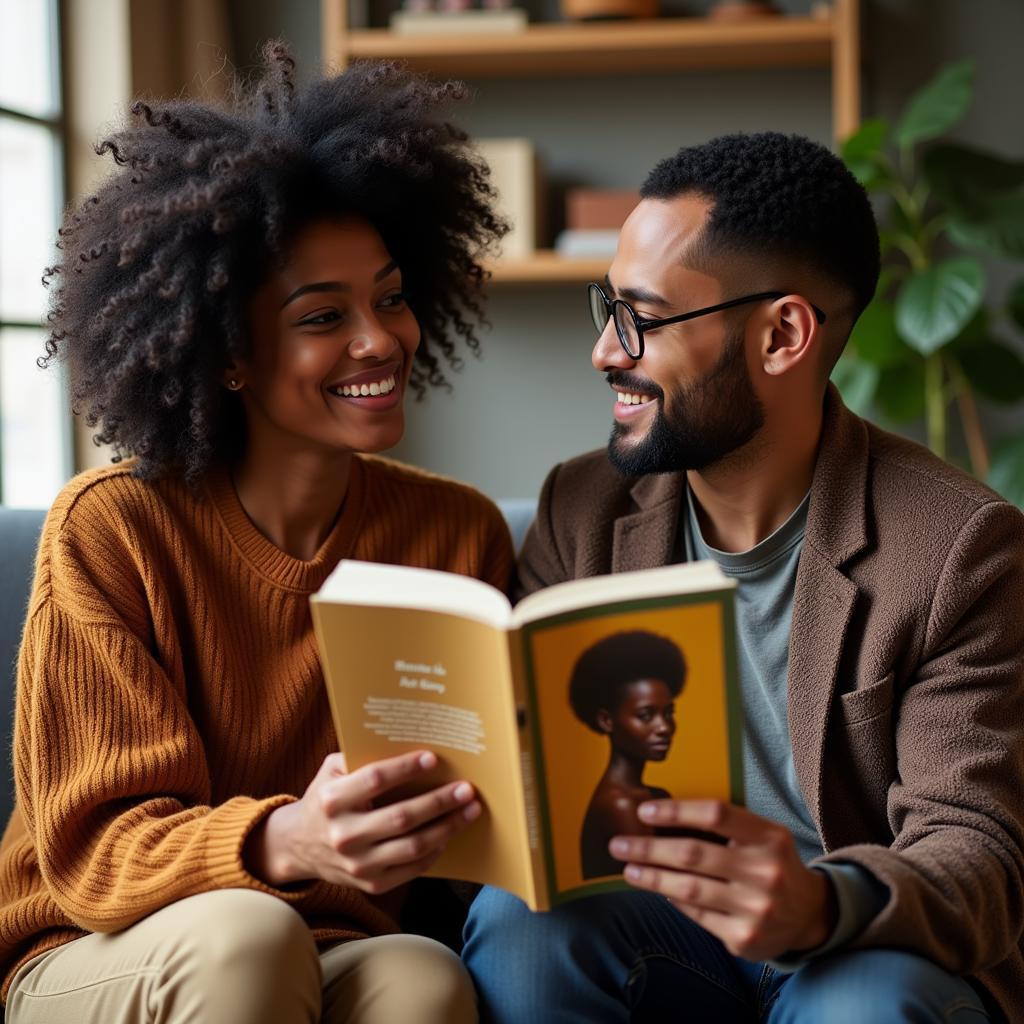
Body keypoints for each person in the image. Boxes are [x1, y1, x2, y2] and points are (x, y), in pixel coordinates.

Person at [0, 44, 514, 1024]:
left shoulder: (458, 534)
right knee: (249, 933)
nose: (380, 340)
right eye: (325, 315)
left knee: (424, 980)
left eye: (392, 297)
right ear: (229, 354)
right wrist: (286, 840)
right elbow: (90, 849)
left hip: (323, 939)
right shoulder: (112, 529)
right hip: (91, 945)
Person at [462, 132, 1024, 1022]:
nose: (608, 351)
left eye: (642, 317)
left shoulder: (961, 548)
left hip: (848, 949)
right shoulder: (585, 508)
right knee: (524, 923)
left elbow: (979, 853)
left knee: (870, 1003)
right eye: (607, 307)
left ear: (782, 335)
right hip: (663, 936)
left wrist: (820, 904)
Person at [568, 631, 683, 879]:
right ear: (606, 720)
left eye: (668, 713)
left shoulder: (653, 796)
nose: (664, 727)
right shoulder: (621, 805)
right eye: (645, 715)